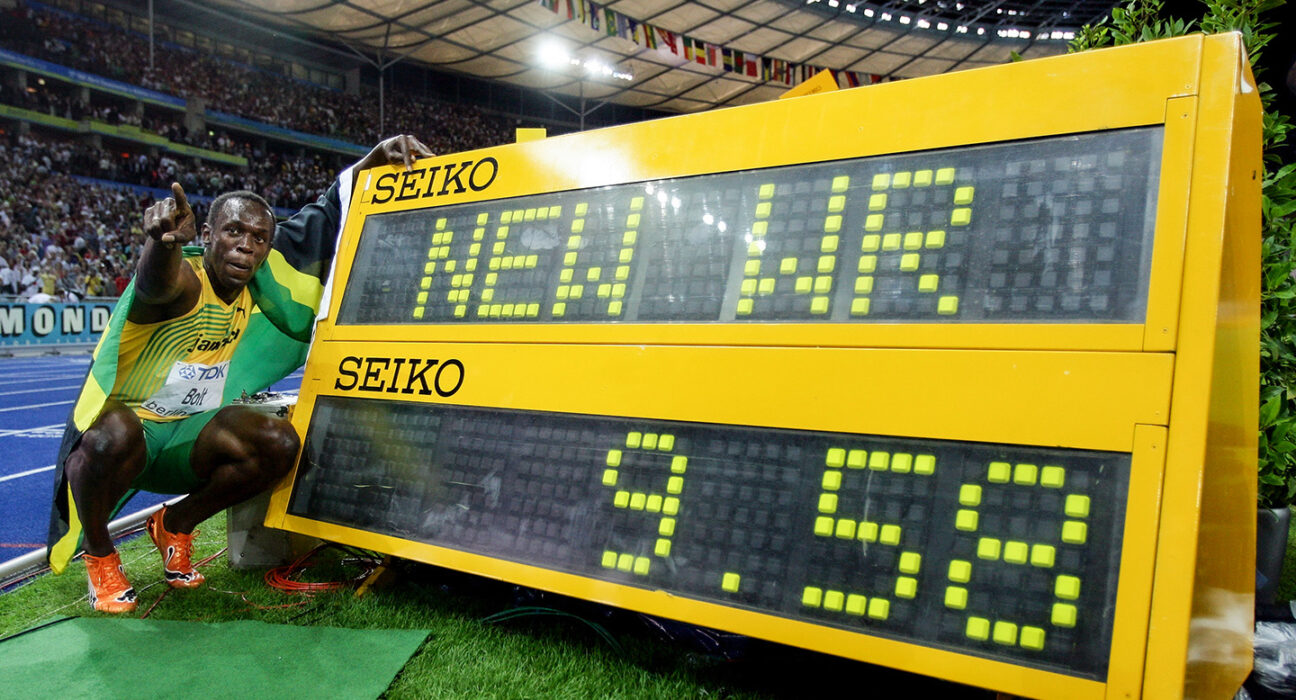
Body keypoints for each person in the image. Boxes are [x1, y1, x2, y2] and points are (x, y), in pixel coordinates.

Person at [47, 135, 434, 612]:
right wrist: (162, 244)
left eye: (258, 239)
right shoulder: (185, 281)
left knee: (280, 443)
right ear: (206, 235)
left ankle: (175, 525)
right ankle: (102, 556)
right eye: (233, 232)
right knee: (110, 432)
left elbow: (320, 217)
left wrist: (374, 158)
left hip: (187, 438)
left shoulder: (260, 283)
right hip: (132, 441)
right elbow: (154, 284)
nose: (245, 247)